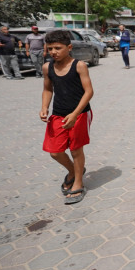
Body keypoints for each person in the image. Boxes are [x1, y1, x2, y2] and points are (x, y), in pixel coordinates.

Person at [40, 29, 94, 204]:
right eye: (50, 48)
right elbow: (48, 89)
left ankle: (78, 182)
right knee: (55, 152)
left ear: (69, 47)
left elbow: (89, 91)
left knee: (76, 150)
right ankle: (73, 171)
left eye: (58, 48)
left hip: (80, 114)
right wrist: (44, 107)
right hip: (58, 114)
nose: (54, 52)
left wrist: (75, 113)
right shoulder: (47, 67)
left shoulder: (79, 65)